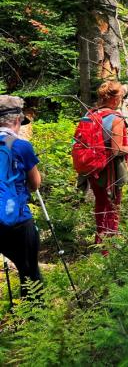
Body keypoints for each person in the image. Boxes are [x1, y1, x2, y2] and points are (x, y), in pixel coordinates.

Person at [0, 95, 42, 297]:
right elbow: (35, 184)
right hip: (17, 220)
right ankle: (36, 319)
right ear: (17, 120)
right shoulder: (21, 146)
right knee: (30, 274)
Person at [88, 82, 128, 248]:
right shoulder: (116, 119)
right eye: (121, 97)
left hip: (93, 169)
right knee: (113, 206)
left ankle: (99, 241)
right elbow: (116, 150)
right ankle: (110, 247)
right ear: (115, 100)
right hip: (110, 172)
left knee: (100, 203)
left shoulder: (91, 115)